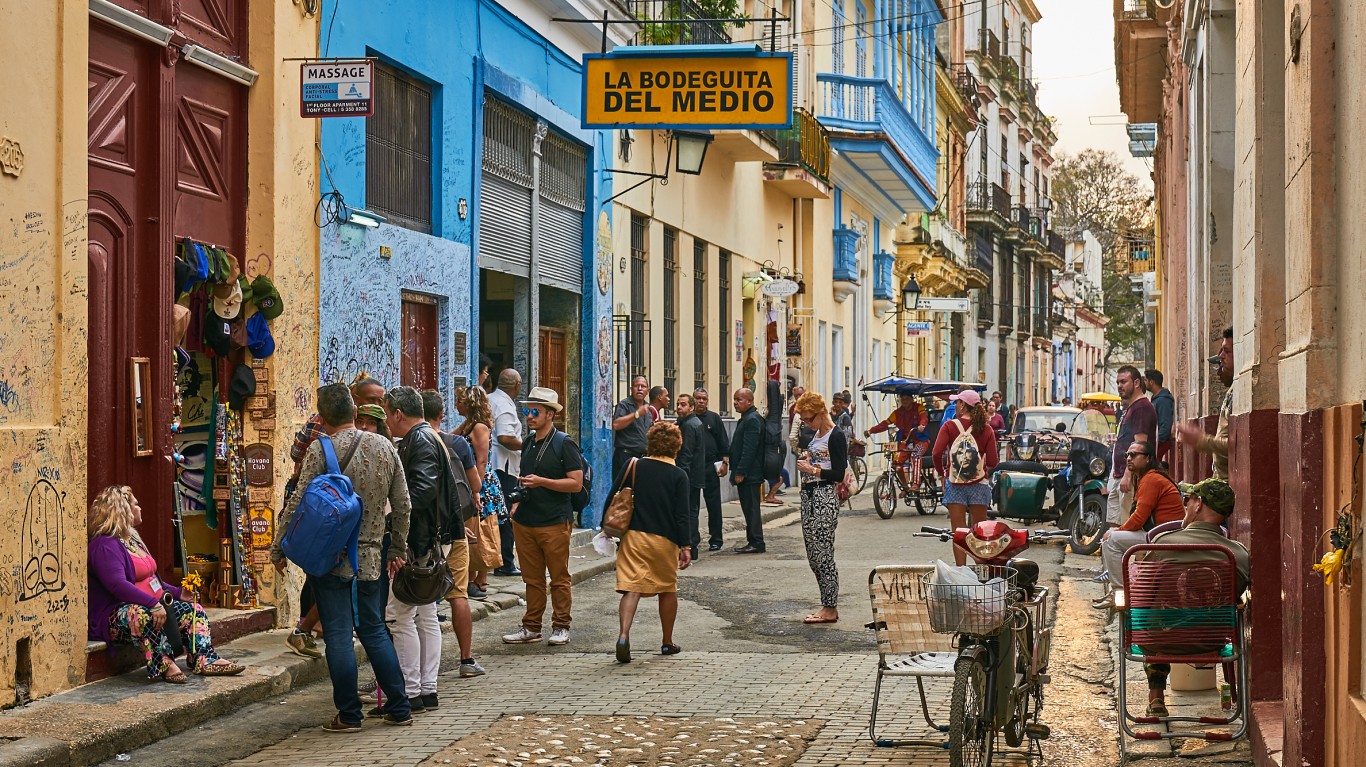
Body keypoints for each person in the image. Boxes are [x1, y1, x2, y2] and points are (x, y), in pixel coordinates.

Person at [272, 382, 413, 731]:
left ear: (322, 416)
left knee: (337, 634)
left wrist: (279, 546)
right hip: (372, 558)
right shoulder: (385, 446)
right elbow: (404, 505)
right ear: (354, 411)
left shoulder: (321, 450)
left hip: (331, 557)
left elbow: (299, 502)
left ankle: (349, 715)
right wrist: (396, 548)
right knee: (375, 630)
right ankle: (399, 705)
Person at [88, 486, 245, 684]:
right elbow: (117, 585)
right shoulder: (105, 546)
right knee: (142, 614)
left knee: (191, 610)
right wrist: (152, 604)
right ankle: (163, 662)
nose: (139, 508)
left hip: (146, 603)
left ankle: (204, 658)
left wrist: (179, 593)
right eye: (136, 504)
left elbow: (152, 581)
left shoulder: (132, 540)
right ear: (123, 510)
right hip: (114, 614)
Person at [281, 376, 387, 659]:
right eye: (371, 399)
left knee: (325, 577)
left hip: (338, 519)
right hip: (323, 515)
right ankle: (310, 626)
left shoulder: (370, 432)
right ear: (354, 403)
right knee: (319, 575)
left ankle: (313, 626)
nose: (375, 405)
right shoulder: (326, 429)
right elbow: (301, 465)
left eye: (380, 400)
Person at [1134, 477, 1249, 717]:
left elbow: (1142, 597)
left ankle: (1156, 696)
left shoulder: (1162, 545)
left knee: (1155, 616)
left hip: (1158, 642)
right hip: (1211, 642)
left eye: (1189, 500)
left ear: (1198, 505)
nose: (1186, 505)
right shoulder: (1238, 554)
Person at [383, 386, 448, 717]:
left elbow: (421, 491)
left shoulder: (419, 441)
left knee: (401, 615)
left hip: (417, 540)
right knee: (425, 614)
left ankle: (411, 690)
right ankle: (426, 688)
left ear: (397, 413)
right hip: (424, 539)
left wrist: (394, 517)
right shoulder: (428, 436)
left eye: (387, 414)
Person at [503, 388, 583, 646]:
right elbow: (527, 479)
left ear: (550, 414)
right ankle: (531, 626)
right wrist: (519, 500)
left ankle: (561, 626)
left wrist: (542, 482)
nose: (529, 415)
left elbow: (575, 484)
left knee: (559, 578)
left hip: (554, 521)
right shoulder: (528, 442)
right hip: (526, 520)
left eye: (535, 411)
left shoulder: (564, 443)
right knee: (532, 579)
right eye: (527, 410)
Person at [611, 421, 694, 663]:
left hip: (634, 537)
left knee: (631, 587)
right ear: (677, 447)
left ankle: (624, 635)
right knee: (667, 589)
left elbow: (614, 496)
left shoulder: (634, 465)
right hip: (664, 541)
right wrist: (686, 546)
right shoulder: (679, 475)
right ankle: (667, 642)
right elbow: (682, 515)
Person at [421, 390, 487, 679]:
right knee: (459, 594)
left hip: (425, 532)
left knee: (419, 603)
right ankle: (466, 660)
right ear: (441, 415)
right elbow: (475, 484)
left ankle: (420, 670)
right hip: (456, 529)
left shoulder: (412, 443)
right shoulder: (457, 443)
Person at [1093, 440, 1185, 607]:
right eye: (1127, 455)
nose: (1129, 458)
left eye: (1134, 455)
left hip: (1165, 538)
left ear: (1148, 458)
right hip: (1160, 535)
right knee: (1113, 536)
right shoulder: (1147, 478)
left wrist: (1116, 531)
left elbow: (1139, 518)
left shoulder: (1152, 479)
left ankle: (1120, 593)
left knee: (1110, 541)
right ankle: (1118, 592)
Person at [793, 392, 849, 625]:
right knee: (813, 554)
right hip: (809, 494)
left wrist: (812, 470)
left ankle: (830, 606)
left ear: (821, 413)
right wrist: (809, 458)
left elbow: (838, 472)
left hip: (824, 495)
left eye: (808, 419)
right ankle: (826, 603)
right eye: (803, 420)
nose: (806, 424)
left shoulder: (835, 435)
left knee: (823, 552)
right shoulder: (817, 434)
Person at [931, 390, 999, 566]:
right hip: (979, 484)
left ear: (962, 405)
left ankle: (961, 570)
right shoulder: (987, 429)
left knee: (959, 532)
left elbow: (936, 453)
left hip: (955, 484)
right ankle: (981, 570)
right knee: (979, 530)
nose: (955, 406)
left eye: (957, 403)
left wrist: (942, 473)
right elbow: (993, 461)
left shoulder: (949, 426)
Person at [455, 385, 505, 598]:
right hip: (472, 482)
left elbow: (481, 461)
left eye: (460, 401)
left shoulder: (479, 428)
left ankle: (481, 581)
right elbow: (450, 438)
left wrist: (477, 490)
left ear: (469, 404)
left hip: (481, 483)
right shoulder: (469, 425)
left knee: (481, 529)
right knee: (474, 529)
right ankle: (472, 578)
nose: (456, 404)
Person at [1178, 328, 1233, 480]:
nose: (1221, 357)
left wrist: (1202, 440)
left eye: (1226, 351)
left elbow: (1238, 446)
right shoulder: (1232, 392)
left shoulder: (1240, 394)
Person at [1109, 366, 1157, 527]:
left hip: (1129, 476)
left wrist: (1128, 475)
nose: (1119, 386)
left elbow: (1140, 445)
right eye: (1117, 382)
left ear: (1136, 382)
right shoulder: (1133, 407)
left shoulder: (1141, 408)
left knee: (1126, 525)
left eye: (1124, 382)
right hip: (1120, 473)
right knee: (1115, 524)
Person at [488, 368, 523, 577]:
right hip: (504, 466)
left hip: (495, 464)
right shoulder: (504, 406)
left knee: (497, 513)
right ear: (517, 386)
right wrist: (527, 445)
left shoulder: (492, 398)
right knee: (506, 514)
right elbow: (505, 437)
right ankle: (506, 562)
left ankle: (500, 559)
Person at [866, 392, 930, 499]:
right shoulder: (897, 413)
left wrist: (922, 425)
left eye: (907, 399)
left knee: (916, 455)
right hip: (905, 442)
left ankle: (915, 484)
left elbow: (924, 417)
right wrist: (871, 431)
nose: (904, 401)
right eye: (902, 399)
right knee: (896, 463)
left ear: (911, 399)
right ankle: (905, 487)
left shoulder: (919, 408)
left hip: (920, 440)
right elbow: (885, 424)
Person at [729, 387, 767, 554]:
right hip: (748, 473)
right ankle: (753, 540)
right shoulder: (747, 418)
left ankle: (756, 541)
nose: (736, 403)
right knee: (749, 508)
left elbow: (749, 449)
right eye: (735, 399)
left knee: (751, 509)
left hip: (750, 474)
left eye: (739, 399)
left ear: (749, 401)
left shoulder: (752, 420)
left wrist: (741, 471)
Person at [693, 388, 731, 551]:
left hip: (710, 465)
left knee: (714, 504)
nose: (701, 401)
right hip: (693, 467)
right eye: (698, 398)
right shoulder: (689, 418)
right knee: (691, 505)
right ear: (693, 400)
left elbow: (723, 441)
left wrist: (725, 463)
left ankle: (716, 539)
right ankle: (692, 538)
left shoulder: (714, 418)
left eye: (704, 399)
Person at [674, 393, 709, 560]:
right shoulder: (694, 423)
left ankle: (690, 545)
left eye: (683, 405)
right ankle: (691, 544)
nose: (679, 408)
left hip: (689, 475)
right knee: (692, 510)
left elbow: (686, 455)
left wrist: (680, 476)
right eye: (678, 404)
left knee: (687, 511)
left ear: (691, 407)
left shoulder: (689, 425)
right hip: (695, 475)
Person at [612, 375, 653, 485]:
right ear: (631, 389)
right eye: (636, 386)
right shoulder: (624, 405)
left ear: (647, 390)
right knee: (624, 492)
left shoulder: (647, 409)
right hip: (626, 457)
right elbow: (616, 424)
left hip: (643, 459)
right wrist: (636, 414)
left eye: (643, 386)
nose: (640, 389)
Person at [1145, 369, 1175, 466]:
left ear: (1151, 382)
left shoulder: (1163, 401)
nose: (1144, 383)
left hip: (1160, 443)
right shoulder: (1156, 399)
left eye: (1145, 380)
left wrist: (1157, 442)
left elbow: (1165, 423)